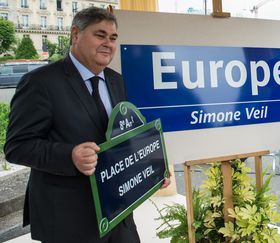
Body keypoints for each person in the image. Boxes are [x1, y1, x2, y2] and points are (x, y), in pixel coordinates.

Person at [4, 7, 170, 243]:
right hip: (68, 220)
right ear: (75, 34)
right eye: (100, 35)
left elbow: (123, 137)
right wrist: (69, 155)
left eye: (113, 38)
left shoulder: (116, 80)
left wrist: (152, 169)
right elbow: (16, 147)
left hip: (117, 213)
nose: (108, 44)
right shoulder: (40, 83)